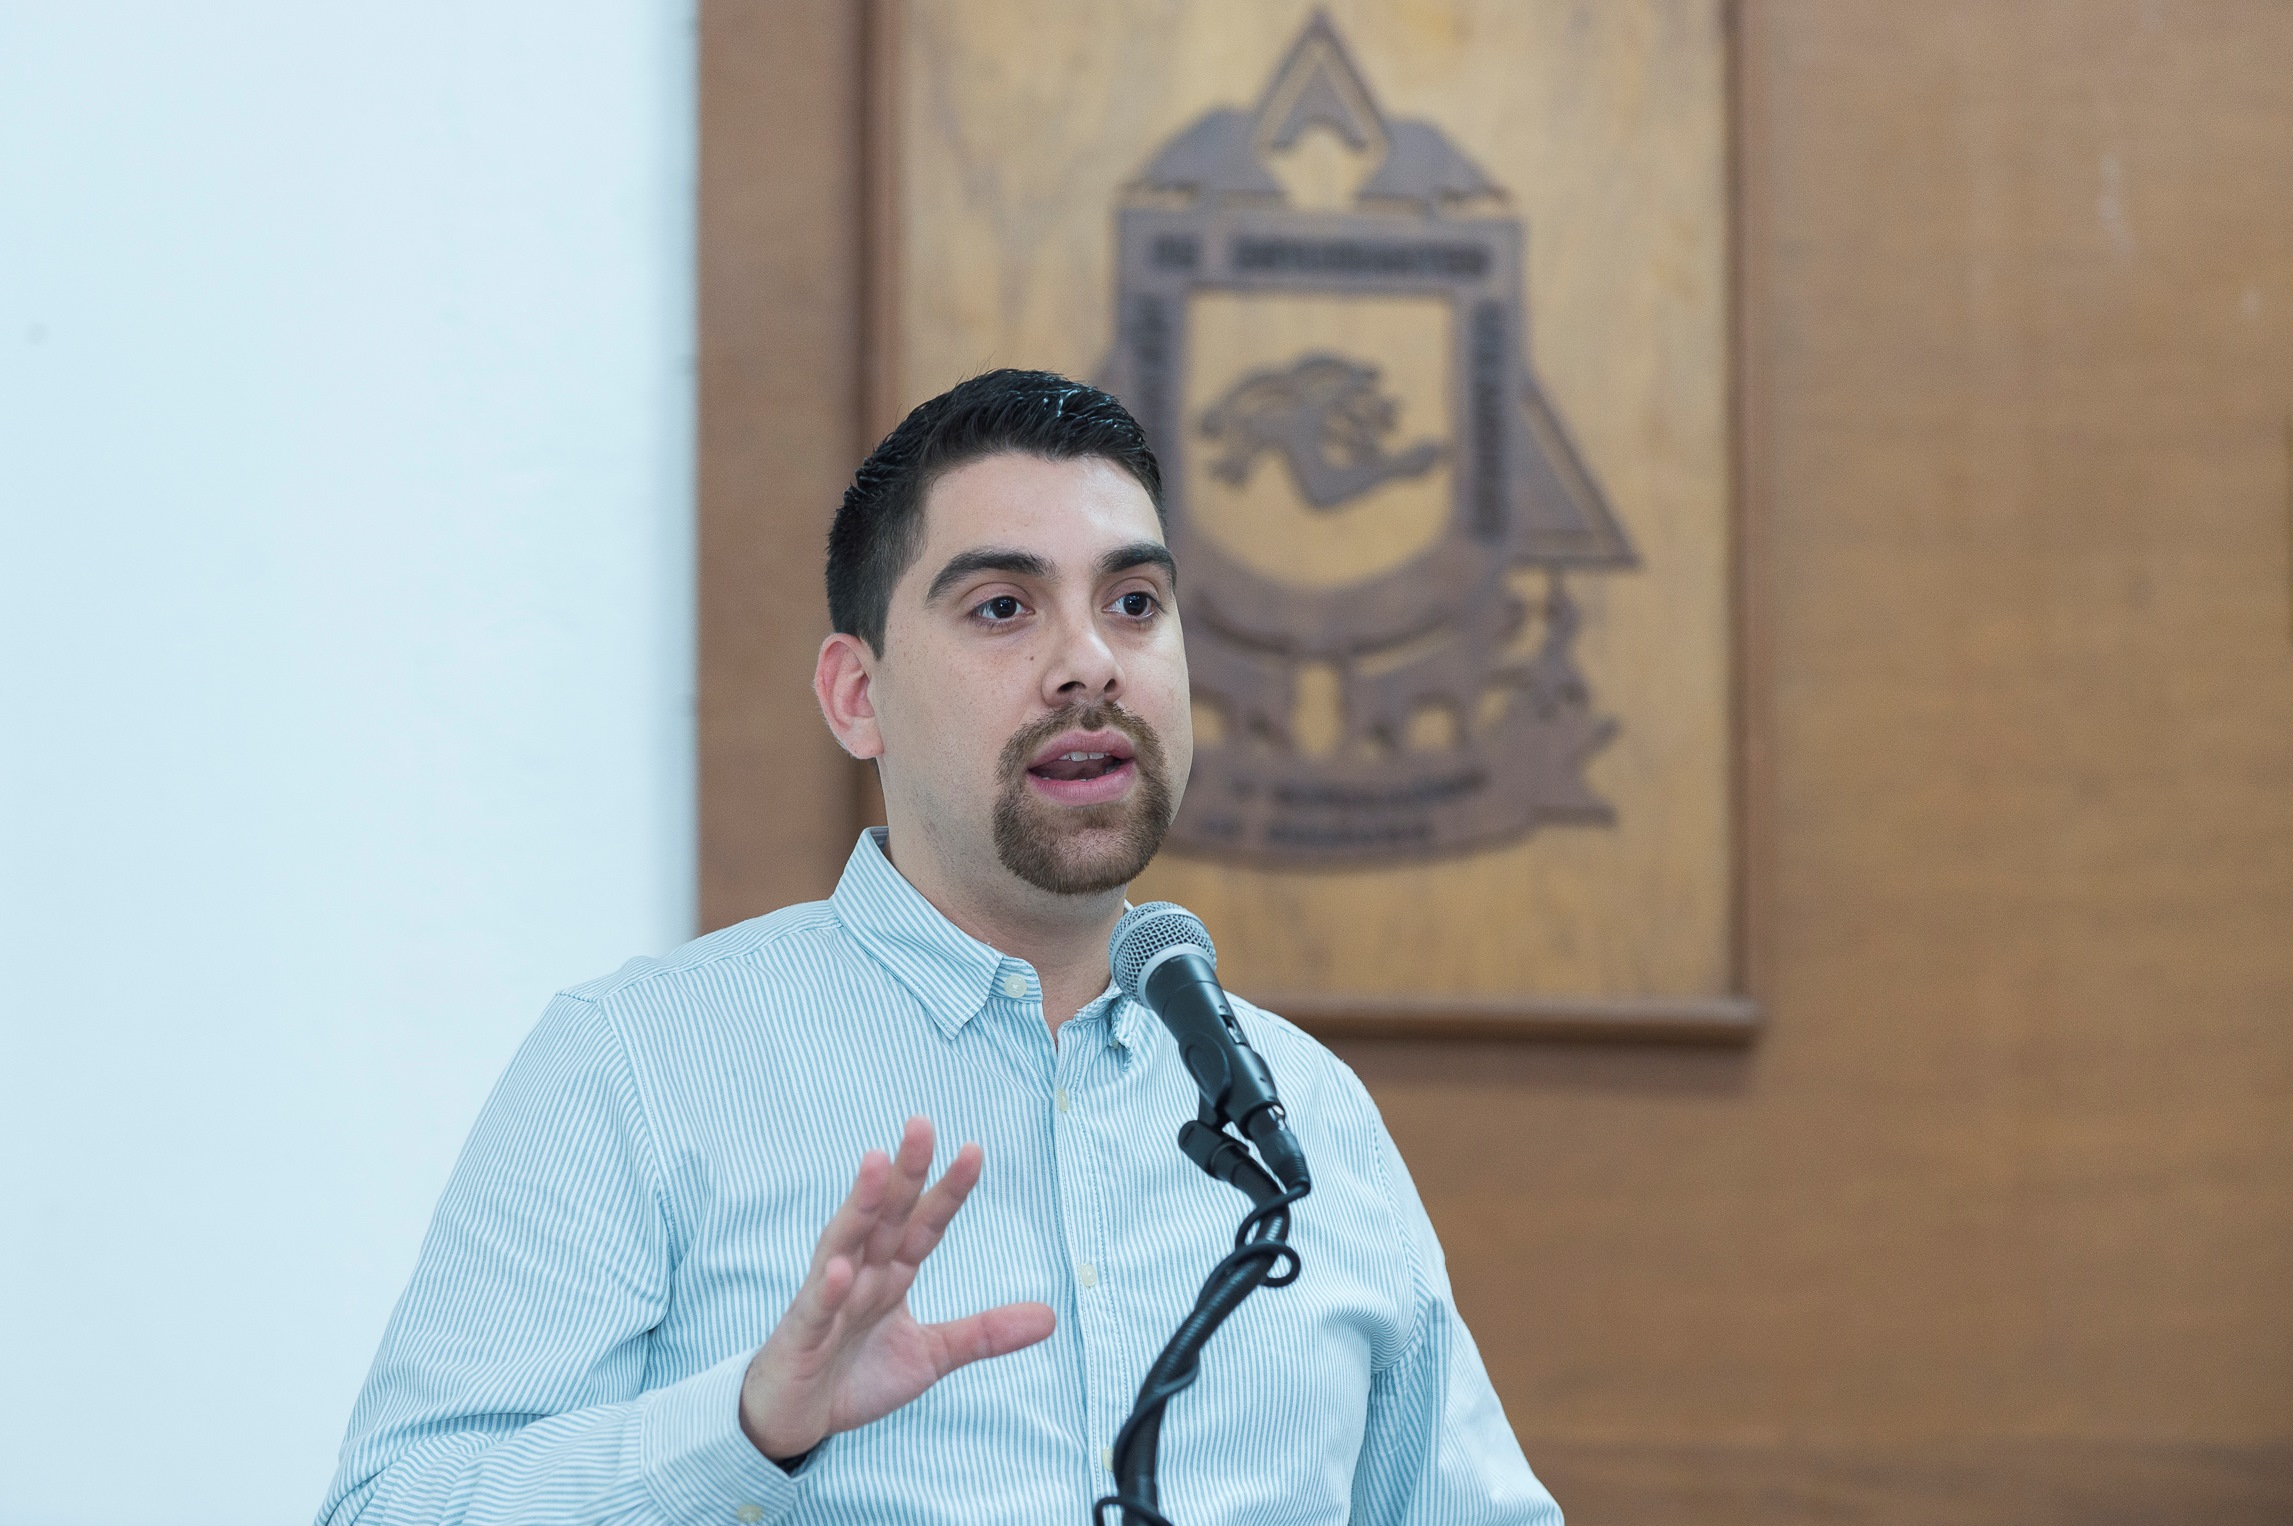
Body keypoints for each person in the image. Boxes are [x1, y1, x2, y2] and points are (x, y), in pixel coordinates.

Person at [319, 370, 1560, 1525]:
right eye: (1003, 607)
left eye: (1134, 603)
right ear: (856, 696)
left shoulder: (1304, 1114)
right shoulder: (639, 1065)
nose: (1089, 663)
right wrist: (745, 1427)